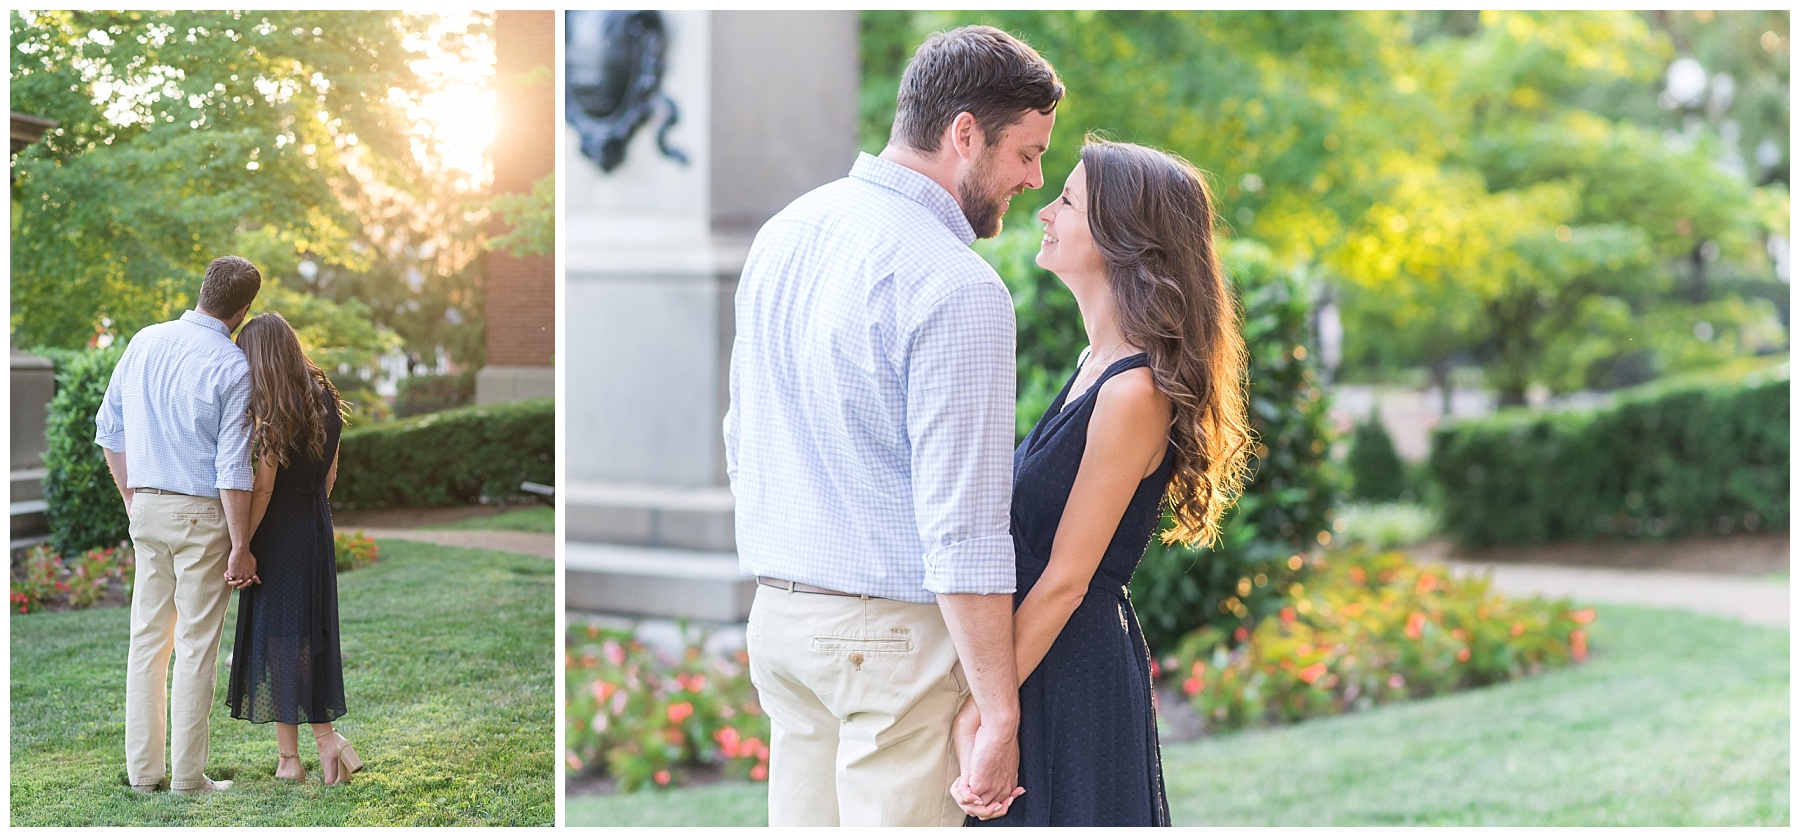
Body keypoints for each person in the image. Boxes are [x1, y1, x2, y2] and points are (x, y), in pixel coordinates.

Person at [722, 25, 1063, 827]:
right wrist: (1001, 711)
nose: (1035, 178)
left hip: (782, 617)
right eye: (1027, 152)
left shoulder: (786, 233)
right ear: (965, 134)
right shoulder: (958, 286)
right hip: (891, 642)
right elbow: (963, 530)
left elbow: (743, 438)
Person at [962, 139, 1254, 826]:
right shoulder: (1096, 363)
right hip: (1037, 657)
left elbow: (1066, 578)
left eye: (1066, 201)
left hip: (1068, 669)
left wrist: (985, 707)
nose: (1043, 212)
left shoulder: (1134, 392)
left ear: (1124, 239)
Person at [98, 255, 263, 795]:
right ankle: (188, 779)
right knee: (195, 645)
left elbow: (109, 428)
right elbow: (233, 467)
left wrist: (131, 496)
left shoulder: (143, 340)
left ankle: (145, 775)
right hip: (201, 515)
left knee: (147, 641)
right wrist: (242, 544)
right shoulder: (234, 366)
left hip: (145, 504)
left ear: (202, 290)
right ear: (243, 309)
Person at [224, 312, 362, 785]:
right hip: (315, 523)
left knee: (281, 639)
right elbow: (329, 477)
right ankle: (298, 756)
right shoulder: (324, 396)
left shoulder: (273, 409)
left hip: (279, 530)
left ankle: (313, 748)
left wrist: (243, 543)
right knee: (302, 636)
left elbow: (262, 489)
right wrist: (312, 515)